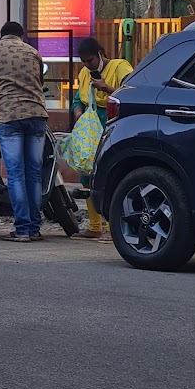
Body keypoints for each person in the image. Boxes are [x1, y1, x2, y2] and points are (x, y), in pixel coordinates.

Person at [0, 20, 49, 242]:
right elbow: (39, 84)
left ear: (2, 35)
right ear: (20, 36)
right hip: (37, 116)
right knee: (34, 173)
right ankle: (34, 228)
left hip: (9, 117)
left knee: (15, 174)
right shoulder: (34, 53)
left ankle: (22, 230)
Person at [71, 36, 133, 238]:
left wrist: (106, 88)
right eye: (84, 62)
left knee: (111, 173)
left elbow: (132, 94)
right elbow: (76, 100)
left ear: (100, 54)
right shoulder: (84, 73)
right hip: (91, 129)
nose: (87, 65)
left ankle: (115, 227)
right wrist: (79, 114)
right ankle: (95, 227)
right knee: (87, 173)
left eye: (90, 60)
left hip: (115, 125)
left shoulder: (120, 67)